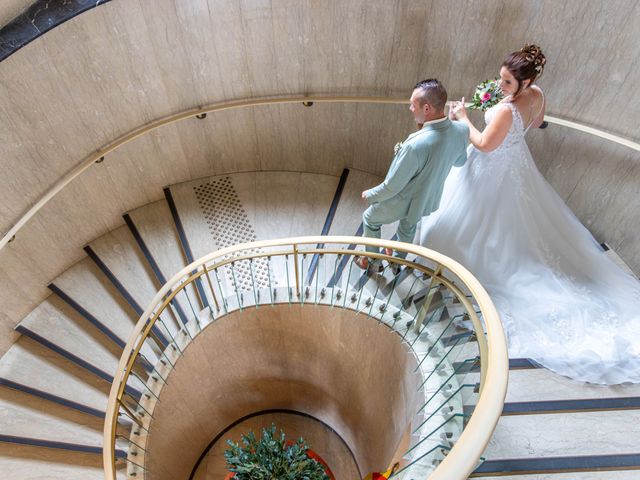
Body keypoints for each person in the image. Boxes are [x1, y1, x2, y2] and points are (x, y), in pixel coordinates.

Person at [420, 44, 640, 384]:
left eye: (508, 82)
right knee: (513, 223)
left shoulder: (507, 111)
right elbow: (536, 123)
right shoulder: (537, 94)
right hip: (516, 166)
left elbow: (484, 144)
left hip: (492, 168)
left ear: (525, 82)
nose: (501, 85)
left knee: (477, 224)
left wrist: (465, 119)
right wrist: (505, 113)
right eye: (502, 79)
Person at [355, 79, 469, 273]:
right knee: (408, 227)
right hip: (428, 198)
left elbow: (392, 185)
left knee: (370, 219)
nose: (410, 108)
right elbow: (460, 161)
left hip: (404, 200)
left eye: (412, 104)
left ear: (426, 108)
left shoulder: (414, 145)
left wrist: (371, 194)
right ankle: (398, 261)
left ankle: (373, 263)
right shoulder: (461, 130)